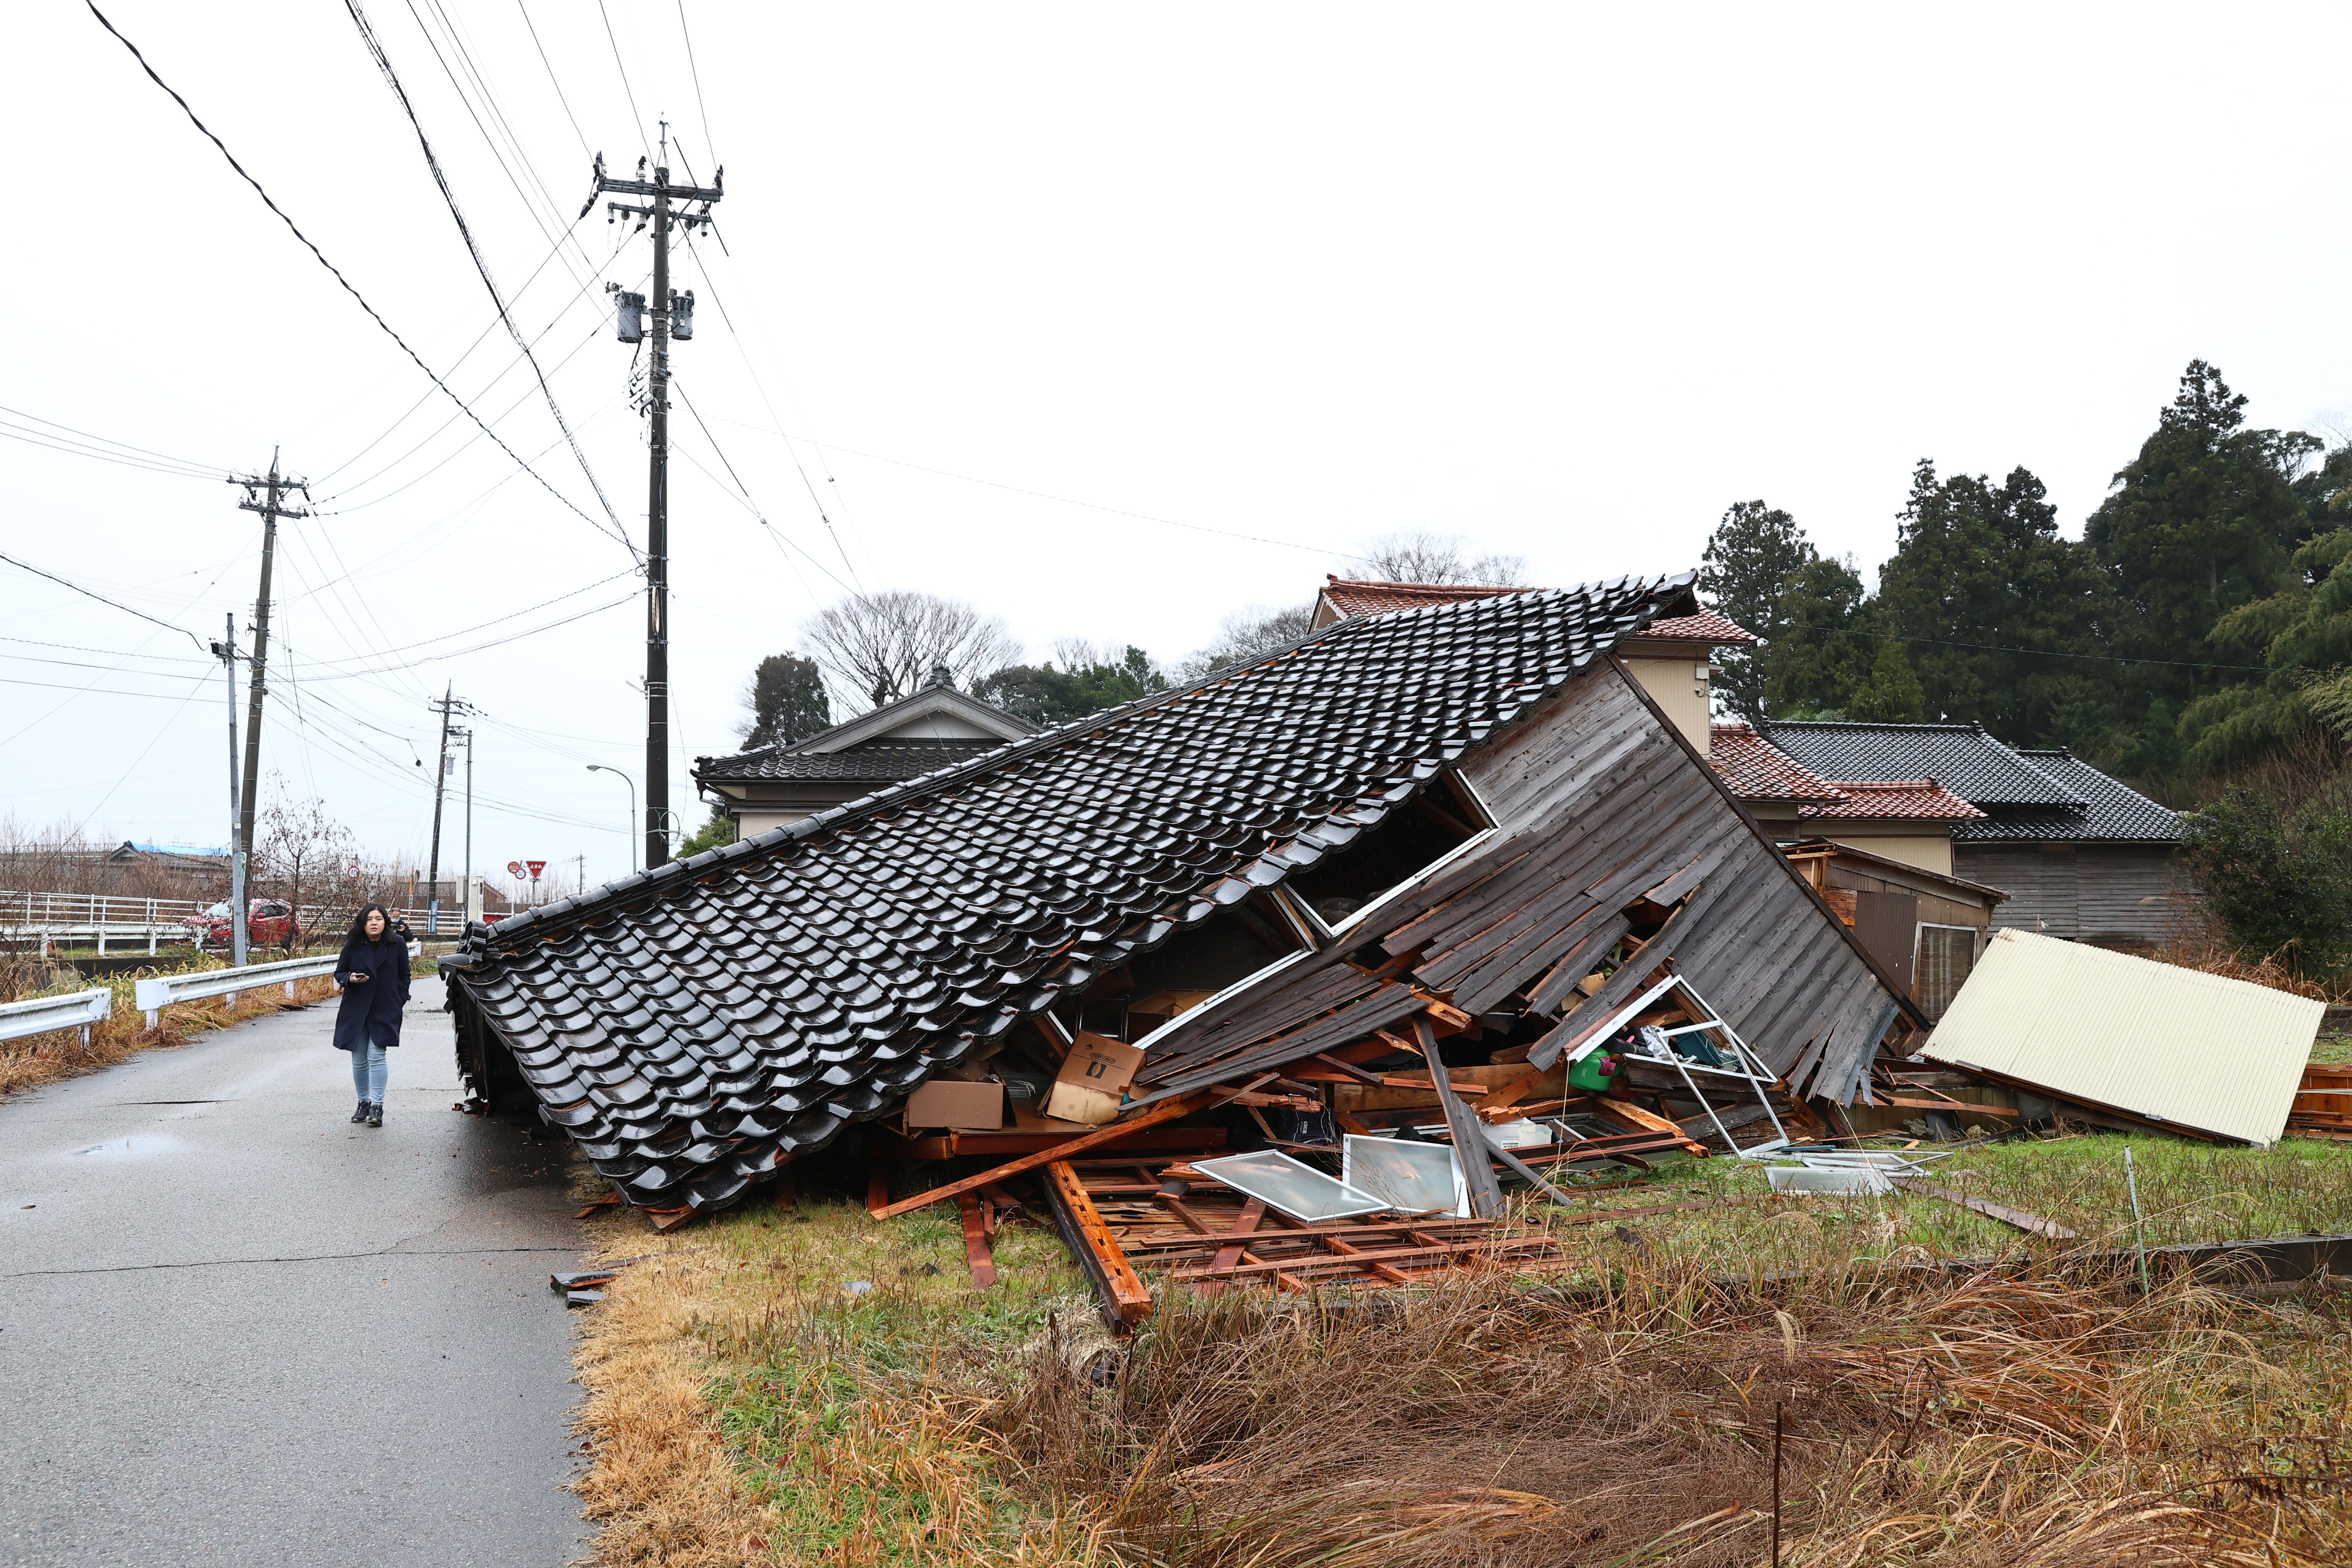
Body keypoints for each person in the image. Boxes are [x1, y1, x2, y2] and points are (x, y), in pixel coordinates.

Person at [333, 903, 411, 1128]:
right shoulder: (354, 943)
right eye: (369, 919)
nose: (374, 923)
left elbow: (404, 975)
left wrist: (400, 998)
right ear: (363, 923)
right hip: (356, 1007)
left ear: (386, 921)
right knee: (359, 1059)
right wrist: (350, 980)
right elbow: (339, 972)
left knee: (376, 1055)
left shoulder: (397, 943)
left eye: (378, 918)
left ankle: (377, 1106)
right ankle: (363, 1103)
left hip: (385, 1007)